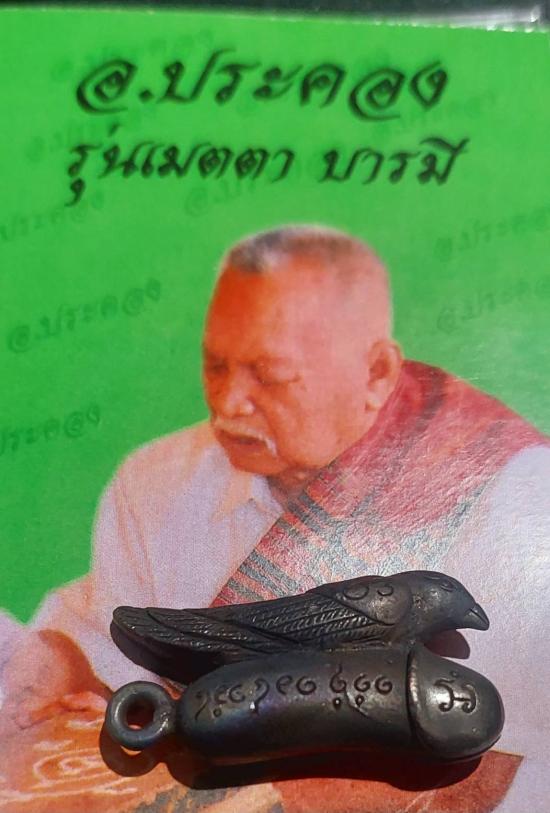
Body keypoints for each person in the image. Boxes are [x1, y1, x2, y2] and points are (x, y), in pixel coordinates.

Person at [2, 225, 549, 812]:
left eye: (270, 375)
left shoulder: (518, 500)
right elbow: (104, 643)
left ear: (375, 374)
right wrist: (66, 665)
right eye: (215, 367)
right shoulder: (155, 481)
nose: (228, 403)